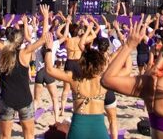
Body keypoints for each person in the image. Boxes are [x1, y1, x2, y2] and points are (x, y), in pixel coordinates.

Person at [42, 8, 112, 139]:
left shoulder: (74, 79)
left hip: (78, 127)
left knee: (64, 90)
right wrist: (129, 45)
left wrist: (49, 48)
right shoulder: (105, 80)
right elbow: (95, 35)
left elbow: (49, 69)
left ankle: (62, 108)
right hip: (99, 129)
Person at [0, 3, 48, 139]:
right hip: (25, 98)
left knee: (5, 136)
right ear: (21, 41)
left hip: (7, 99)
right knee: (29, 135)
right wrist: (46, 17)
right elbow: (43, 39)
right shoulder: (24, 53)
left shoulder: (4, 51)